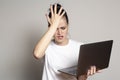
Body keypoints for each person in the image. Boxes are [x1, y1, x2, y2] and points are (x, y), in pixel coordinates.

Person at [33, 3, 100, 80]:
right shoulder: (46, 46)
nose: (59, 32)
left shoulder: (80, 47)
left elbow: (81, 78)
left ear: (68, 26)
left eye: (63, 28)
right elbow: (37, 54)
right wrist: (53, 25)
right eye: (55, 29)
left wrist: (86, 74)